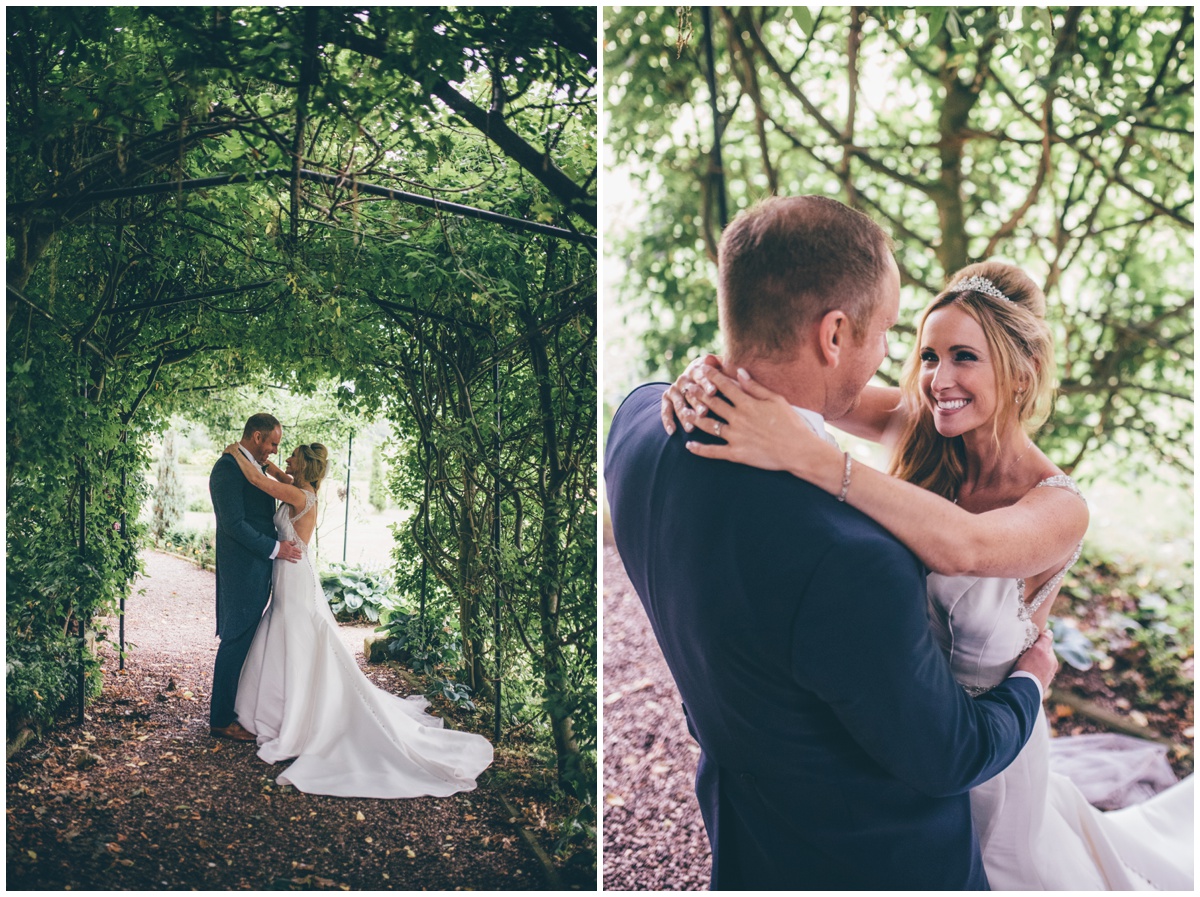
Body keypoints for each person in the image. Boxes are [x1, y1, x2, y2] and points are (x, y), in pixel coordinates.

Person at [663, 259, 1194, 889]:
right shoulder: (917, 427)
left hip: (983, 758)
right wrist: (713, 374)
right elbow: (812, 384)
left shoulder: (1058, 507)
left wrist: (816, 459)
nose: (939, 378)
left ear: (1020, 371)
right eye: (929, 356)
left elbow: (964, 547)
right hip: (892, 728)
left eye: (964, 356)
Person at [605, 195, 1058, 890]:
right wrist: (1033, 677)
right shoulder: (854, 562)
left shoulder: (641, 423)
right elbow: (949, 753)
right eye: (890, 334)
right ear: (836, 333)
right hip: (877, 852)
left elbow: (965, 537)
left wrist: (718, 373)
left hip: (747, 819)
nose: (903, 364)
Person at [223, 440, 494, 799]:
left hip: (294, 575)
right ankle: (281, 707)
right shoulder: (299, 487)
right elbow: (273, 474)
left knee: (297, 633)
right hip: (286, 572)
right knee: (285, 632)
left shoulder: (301, 497)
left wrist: (235, 453)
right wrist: (264, 462)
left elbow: (261, 483)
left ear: (303, 466)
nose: (284, 458)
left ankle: (302, 714)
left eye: (292, 457)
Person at [208, 413, 303, 741]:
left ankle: (237, 709)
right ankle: (220, 719)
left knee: (244, 640)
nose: (275, 450)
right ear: (258, 437)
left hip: (258, 568)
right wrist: (275, 549)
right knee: (234, 640)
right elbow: (233, 525)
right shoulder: (227, 469)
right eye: (273, 443)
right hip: (241, 571)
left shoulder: (253, 466)